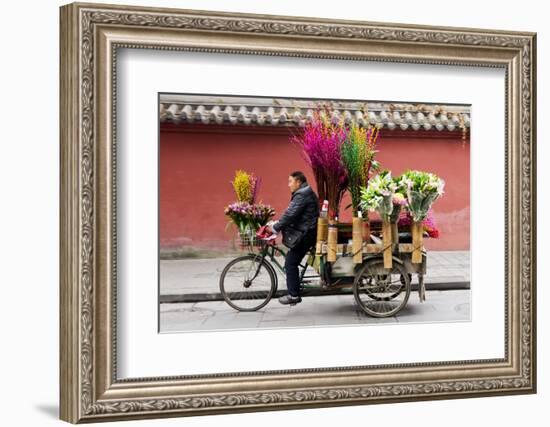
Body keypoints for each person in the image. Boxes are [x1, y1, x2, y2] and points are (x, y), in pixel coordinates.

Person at [265, 171, 319, 305]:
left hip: (307, 233)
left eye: (290, 181)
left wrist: (276, 227)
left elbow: (290, 214)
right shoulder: (304, 192)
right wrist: (278, 223)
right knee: (292, 259)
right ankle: (295, 286)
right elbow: (291, 213)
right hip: (306, 230)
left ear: (298, 182)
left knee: (290, 262)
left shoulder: (302, 194)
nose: (288, 185)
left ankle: (294, 295)